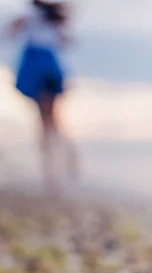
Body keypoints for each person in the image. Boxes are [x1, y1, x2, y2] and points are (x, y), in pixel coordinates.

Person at [7, 0, 78, 197]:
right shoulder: (42, 16)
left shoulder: (42, 17)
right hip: (42, 64)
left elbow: (12, 30)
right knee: (49, 119)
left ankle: (57, 166)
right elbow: (67, 41)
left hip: (40, 65)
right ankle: (58, 164)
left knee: (47, 120)